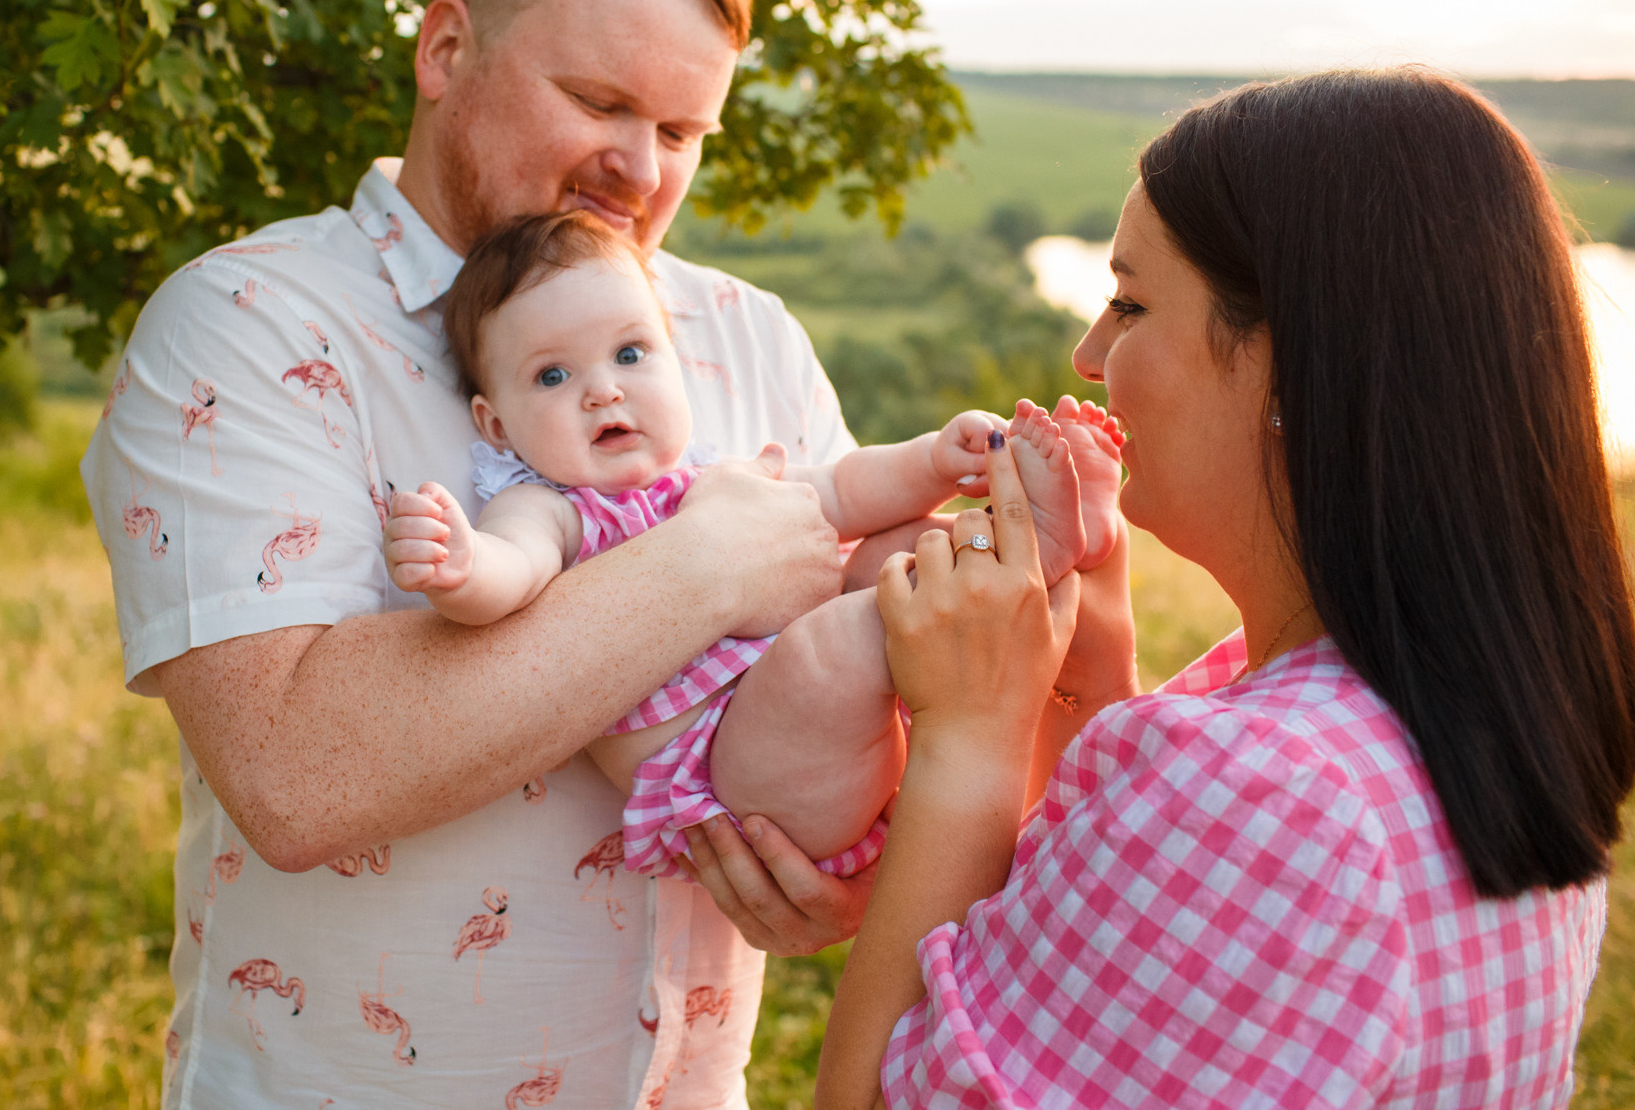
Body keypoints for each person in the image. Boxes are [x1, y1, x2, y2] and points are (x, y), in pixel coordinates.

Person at [83, 0, 871, 1107]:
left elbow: (863, 677)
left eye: (679, 131)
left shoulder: (746, 337)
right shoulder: (246, 324)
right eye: (598, 100)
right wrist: (704, 565)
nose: (642, 169)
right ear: (444, 49)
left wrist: (835, 863)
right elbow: (297, 772)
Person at [793, 68, 1635, 1108]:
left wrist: (967, 732)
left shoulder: (1274, 797)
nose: (1088, 354)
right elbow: (1110, 979)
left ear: (1291, 369)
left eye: (1131, 302)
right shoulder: (1464, 709)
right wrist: (1088, 669)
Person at [382, 208, 1122, 879]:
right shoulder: (551, 508)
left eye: (631, 354)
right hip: (731, 778)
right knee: (833, 641)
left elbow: (842, 489)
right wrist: (462, 563)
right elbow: (513, 569)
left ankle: (1029, 539)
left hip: (827, 731)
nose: (603, 389)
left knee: (884, 549)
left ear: (674, 359)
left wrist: (933, 459)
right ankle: (1009, 565)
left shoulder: (712, 476)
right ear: (497, 426)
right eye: (552, 374)